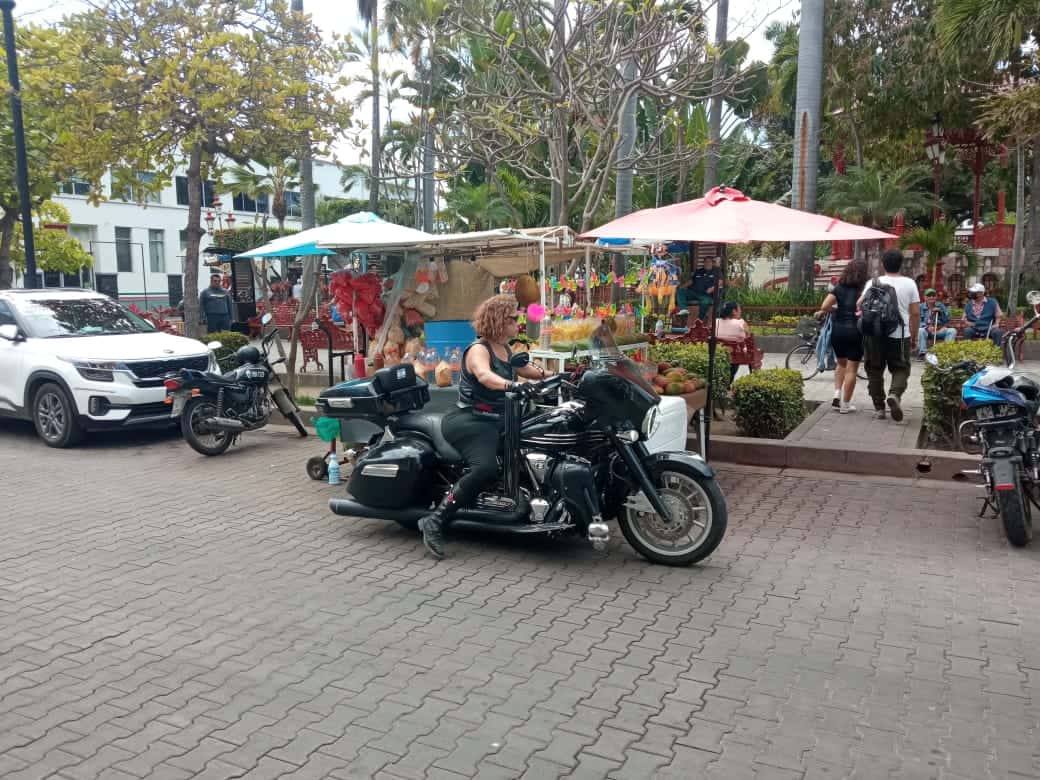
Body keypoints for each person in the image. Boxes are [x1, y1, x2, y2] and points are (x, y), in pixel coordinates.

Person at [418, 294, 552, 559]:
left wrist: (563, 375)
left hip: (500, 419)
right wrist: (512, 385)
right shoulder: (479, 349)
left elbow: (533, 371)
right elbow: (484, 375)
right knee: (486, 468)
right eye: (514, 319)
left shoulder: (508, 350)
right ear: (499, 320)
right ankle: (435, 520)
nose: (518, 323)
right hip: (472, 420)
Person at [858, 249, 920, 421]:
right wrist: (914, 336)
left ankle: (879, 408)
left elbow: (859, 304)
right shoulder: (910, 284)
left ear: (883, 264)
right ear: (901, 264)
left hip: (874, 334)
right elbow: (915, 313)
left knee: (874, 369)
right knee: (901, 368)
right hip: (900, 334)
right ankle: (894, 395)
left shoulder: (873, 282)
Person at [816, 258, 868, 414]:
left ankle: (836, 395)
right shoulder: (864, 290)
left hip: (838, 331)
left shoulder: (839, 288)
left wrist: (837, 309)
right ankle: (845, 404)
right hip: (856, 331)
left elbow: (825, 306)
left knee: (841, 364)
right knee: (852, 369)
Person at [714, 301, 750, 382]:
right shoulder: (740, 323)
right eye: (739, 309)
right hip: (736, 355)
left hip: (718, 353)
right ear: (734, 311)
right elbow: (748, 337)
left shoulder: (715, 322)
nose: (741, 311)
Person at [918, 288, 957, 357]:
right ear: (925, 297)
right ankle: (923, 353)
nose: (931, 297)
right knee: (920, 330)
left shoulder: (941, 305)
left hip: (939, 330)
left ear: (936, 297)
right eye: (929, 296)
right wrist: (927, 327)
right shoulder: (920, 307)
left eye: (933, 295)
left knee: (952, 331)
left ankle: (945, 353)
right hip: (928, 331)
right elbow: (917, 322)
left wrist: (941, 313)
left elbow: (947, 320)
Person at [965, 282, 1003, 347]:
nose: (971, 294)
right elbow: (964, 318)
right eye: (972, 292)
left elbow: (999, 315)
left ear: (982, 293)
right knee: (967, 331)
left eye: (974, 292)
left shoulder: (992, 302)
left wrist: (997, 324)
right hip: (974, 328)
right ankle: (968, 352)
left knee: (998, 332)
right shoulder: (968, 304)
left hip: (989, 328)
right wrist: (967, 322)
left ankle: (996, 352)